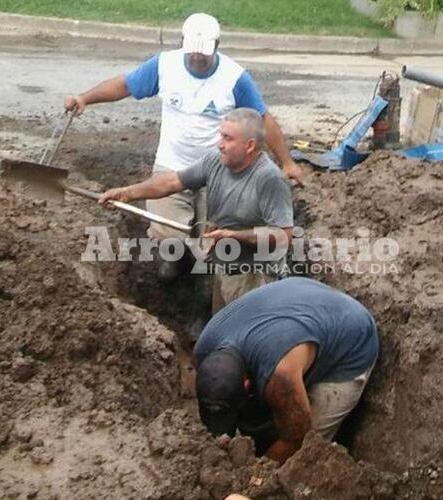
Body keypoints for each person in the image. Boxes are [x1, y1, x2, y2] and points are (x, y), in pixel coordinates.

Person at [65, 12, 304, 279]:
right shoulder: (164, 66)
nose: (197, 58)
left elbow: (262, 119)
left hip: (218, 171)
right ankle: (174, 266)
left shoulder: (235, 78)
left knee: (216, 240)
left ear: (217, 46)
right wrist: (84, 98)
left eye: (203, 53)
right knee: (169, 236)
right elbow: (125, 85)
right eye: (192, 52)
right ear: (182, 42)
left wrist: (287, 162)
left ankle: (207, 278)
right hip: (173, 163)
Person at [98, 108, 293, 319]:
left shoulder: (269, 179)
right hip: (227, 270)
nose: (220, 143)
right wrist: (127, 193)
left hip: (258, 279)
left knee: (249, 339)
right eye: (220, 136)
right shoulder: (215, 161)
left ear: (250, 146)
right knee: (223, 332)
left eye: (227, 138)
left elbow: (284, 236)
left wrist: (234, 236)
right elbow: (172, 182)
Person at [193, 277, 380, 465]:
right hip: (299, 302)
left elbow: (297, 439)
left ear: (247, 384)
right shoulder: (203, 349)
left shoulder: (280, 377)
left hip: (350, 338)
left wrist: (255, 476)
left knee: (307, 451)